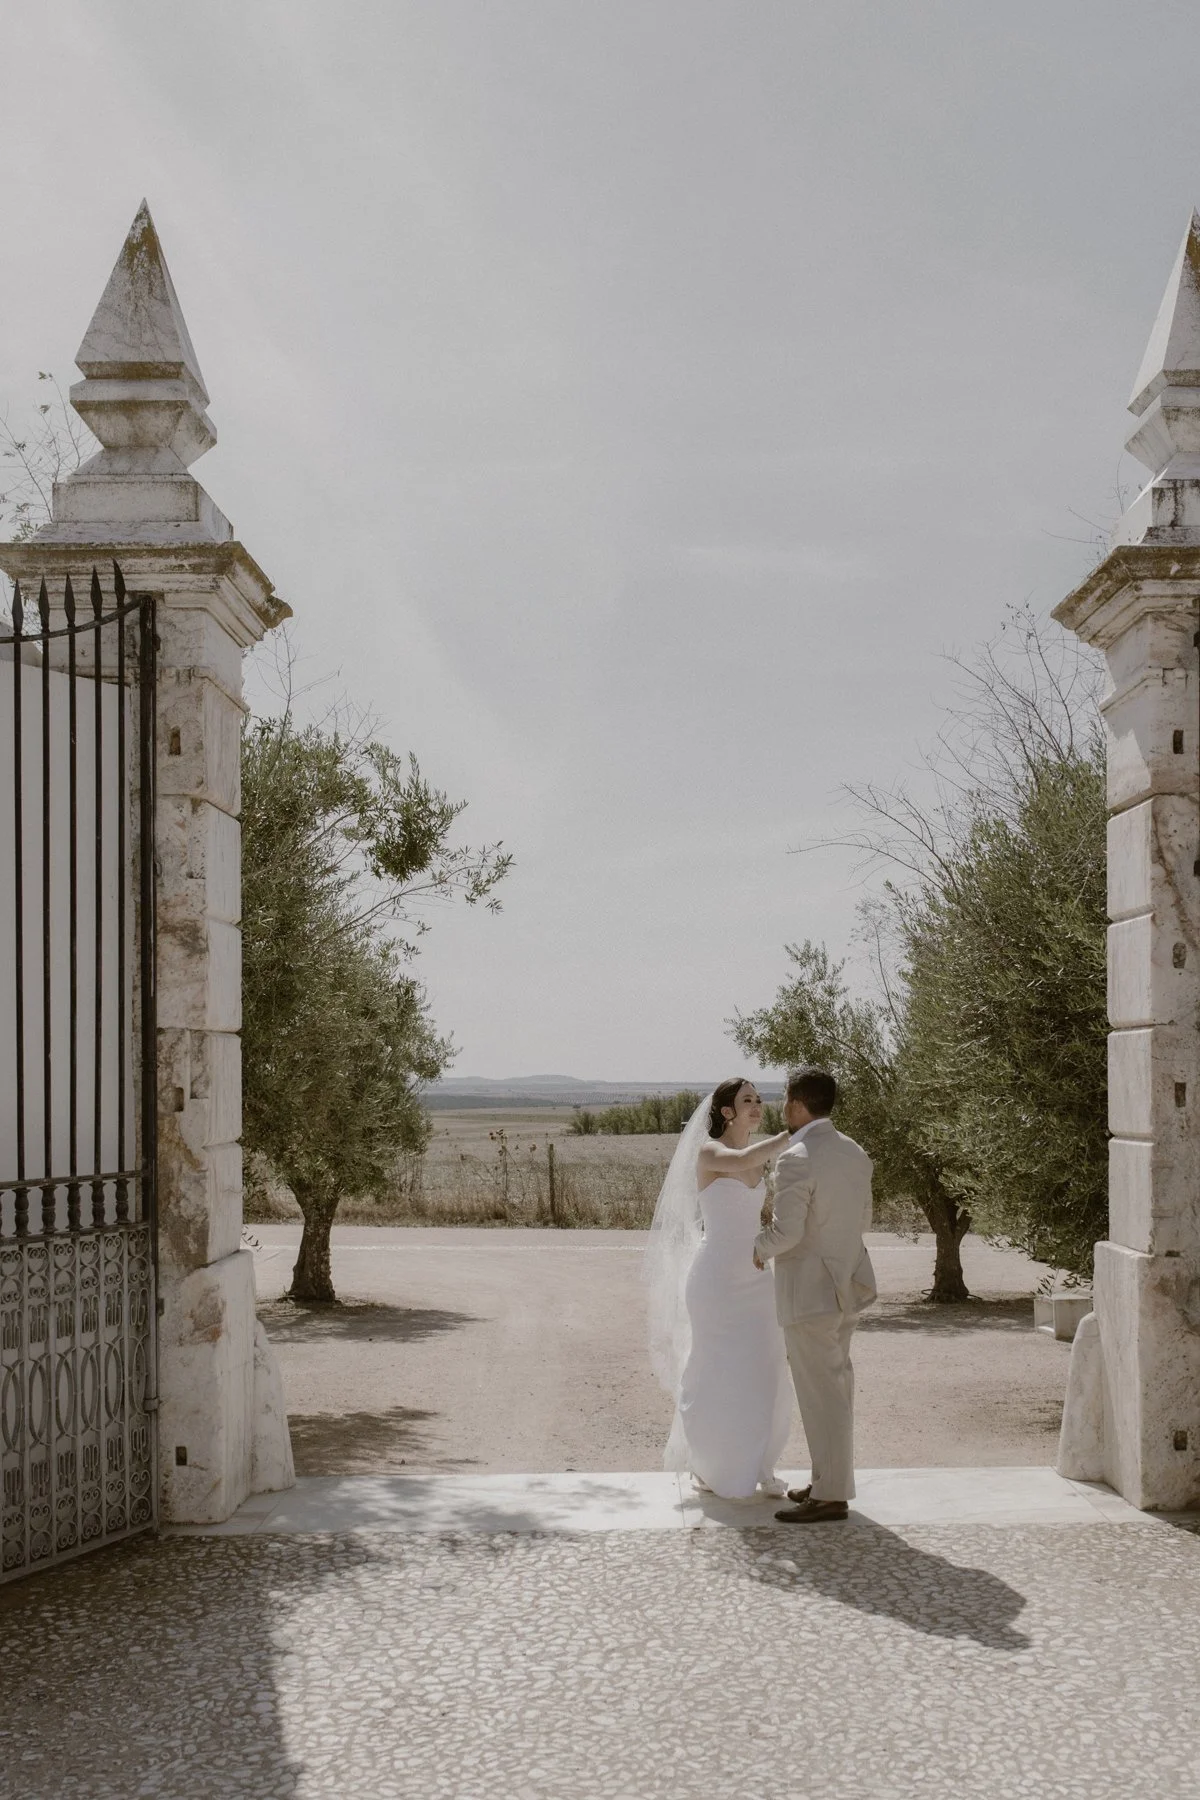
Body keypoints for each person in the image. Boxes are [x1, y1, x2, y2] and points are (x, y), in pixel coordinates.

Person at [645, 1079, 793, 1500]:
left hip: (756, 1277)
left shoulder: (758, 1158)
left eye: (759, 1099)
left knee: (765, 1367)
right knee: (717, 1369)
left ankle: (759, 1461)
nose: (757, 1106)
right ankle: (712, 1466)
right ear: (726, 1112)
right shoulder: (711, 1151)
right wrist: (792, 1135)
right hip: (716, 1279)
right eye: (748, 1100)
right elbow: (745, 1156)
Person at [753, 1066, 877, 1524]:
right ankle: (827, 1482)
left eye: (785, 1099)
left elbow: (785, 1233)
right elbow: (861, 1217)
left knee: (822, 1396)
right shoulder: (855, 1152)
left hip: (809, 1293)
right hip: (846, 1284)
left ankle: (831, 1496)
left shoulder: (797, 1156)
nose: (783, 1107)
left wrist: (755, 1250)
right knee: (834, 1390)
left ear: (797, 1105)